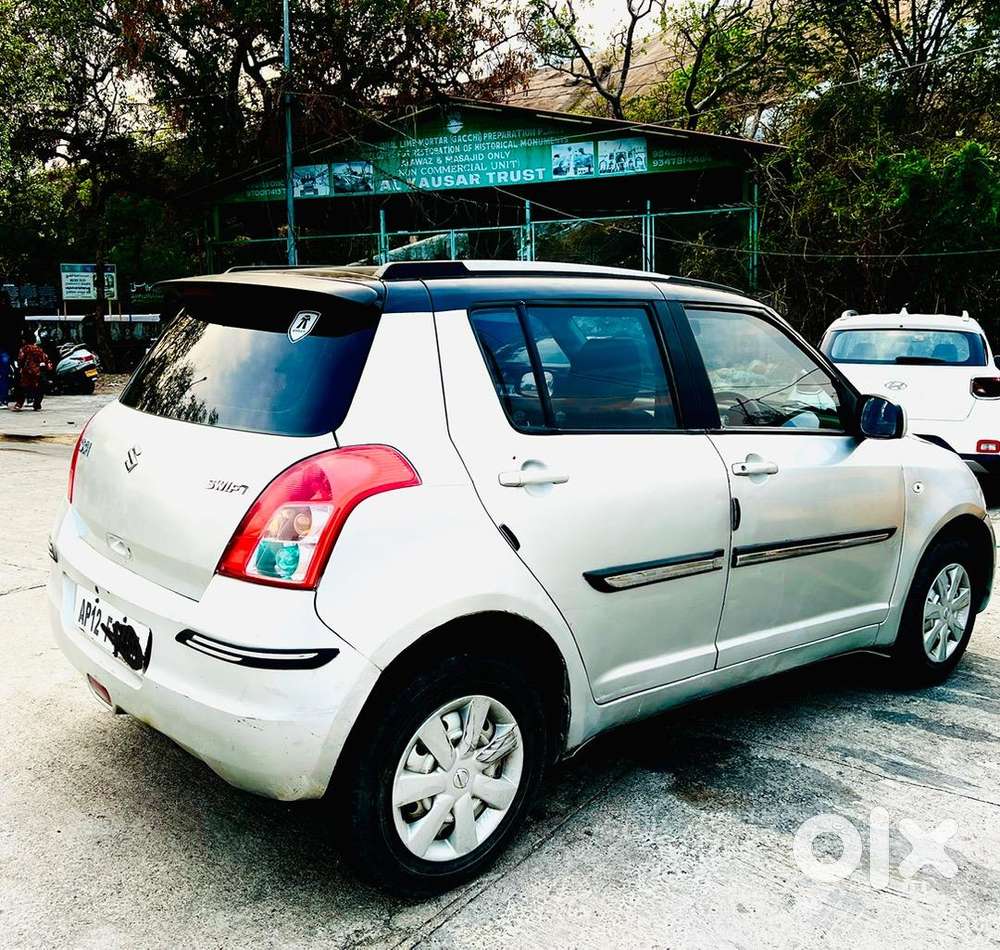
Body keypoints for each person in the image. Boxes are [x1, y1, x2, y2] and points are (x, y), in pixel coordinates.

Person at [13, 330, 52, 412]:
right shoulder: (39, 349)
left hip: (26, 373)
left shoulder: (24, 349)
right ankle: (37, 403)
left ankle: (19, 403)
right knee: (40, 388)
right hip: (37, 373)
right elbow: (45, 360)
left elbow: (20, 360)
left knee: (20, 387)